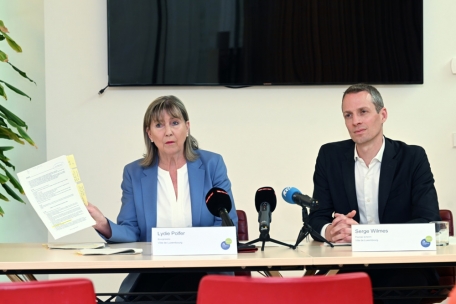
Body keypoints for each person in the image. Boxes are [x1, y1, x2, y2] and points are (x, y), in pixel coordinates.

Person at [87, 95, 238, 297]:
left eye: (175, 123)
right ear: (149, 134)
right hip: (152, 272)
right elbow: (132, 231)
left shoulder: (212, 164)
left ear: (187, 127)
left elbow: (227, 225)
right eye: (159, 125)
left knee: (175, 289)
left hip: (204, 270)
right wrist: (103, 225)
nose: (168, 132)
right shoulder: (134, 173)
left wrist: (185, 245)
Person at [308, 83, 440, 304]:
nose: (355, 121)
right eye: (348, 115)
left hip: (402, 267)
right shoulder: (329, 156)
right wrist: (330, 231)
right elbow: (315, 217)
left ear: (383, 114)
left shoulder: (413, 158)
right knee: (318, 293)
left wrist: (366, 237)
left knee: (402, 287)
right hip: (346, 265)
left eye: (363, 112)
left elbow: (428, 221)